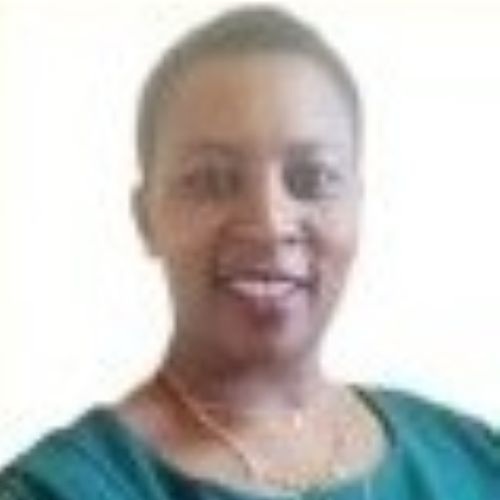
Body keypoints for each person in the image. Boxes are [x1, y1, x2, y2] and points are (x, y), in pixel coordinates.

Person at [1, 5, 499, 500]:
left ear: (358, 207)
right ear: (145, 218)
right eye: (213, 180)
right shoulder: (61, 488)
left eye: (311, 178)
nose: (269, 223)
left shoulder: (475, 460)